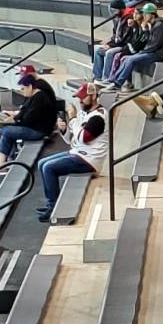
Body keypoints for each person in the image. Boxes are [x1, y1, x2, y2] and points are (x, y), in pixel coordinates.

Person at [34, 82, 109, 222]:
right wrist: (63, 129)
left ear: (93, 97)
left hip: (90, 159)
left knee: (49, 168)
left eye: (83, 98)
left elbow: (83, 138)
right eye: (79, 98)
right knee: (42, 163)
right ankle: (51, 203)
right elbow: (71, 140)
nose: (80, 101)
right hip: (78, 153)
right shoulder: (83, 113)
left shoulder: (99, 117)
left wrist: (73, 119)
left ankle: (53, 207)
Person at [0, 66, 62, 159]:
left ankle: (3, 160)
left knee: (6, 131)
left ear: (30, 85)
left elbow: (30, 116)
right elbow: (26, 110)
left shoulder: (40, 94)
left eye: (23, 88)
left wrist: (16, 119)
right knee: (8, 133)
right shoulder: (35, 94)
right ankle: (7, 161)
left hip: (39, 129)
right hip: (36, 124)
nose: (21, 91)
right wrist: (16, 116)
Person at [106, 3, 163, 88]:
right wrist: (145, 31)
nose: (144, 16)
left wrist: (141, 52)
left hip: (158, 54)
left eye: (146, 14)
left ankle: (117, 83)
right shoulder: (153, 25)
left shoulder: (160, 26)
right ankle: (116, 80)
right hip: (151, 51)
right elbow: (149, 42)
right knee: (125, 58)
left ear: (152, 15)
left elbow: (154, 45)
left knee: (131, 59)